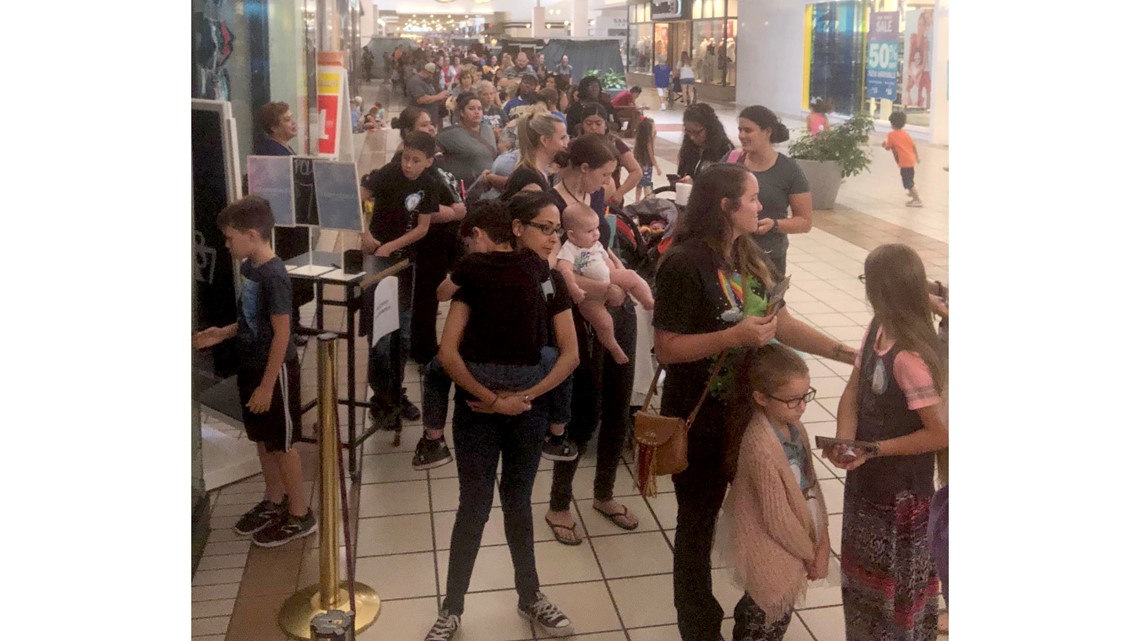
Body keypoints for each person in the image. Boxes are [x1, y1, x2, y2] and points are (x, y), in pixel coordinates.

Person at [653, 163, 858, 641]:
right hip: (700, 418)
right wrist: (733, 335)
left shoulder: (747, 253)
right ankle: (699, 627)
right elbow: (666, 347)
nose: (761, 206)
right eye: (752, 198)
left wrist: (843, 351)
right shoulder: (684, 264)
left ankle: (757, 613)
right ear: (726, 207)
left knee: (763, 514)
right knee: (697, 525)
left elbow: (777, 320)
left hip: (749, 416)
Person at [424, 191, 579, 641]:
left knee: (518, 504)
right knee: (472, 508)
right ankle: (451, 608)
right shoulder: (477, 276)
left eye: (557, 230)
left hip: (528, 410)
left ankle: (530, 596)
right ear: (516, 228)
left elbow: (569, 356)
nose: (553, 239)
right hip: (477, 411)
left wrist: (523, 397)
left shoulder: (551, 283)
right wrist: (492, 400)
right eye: (544, 228)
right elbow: (448, 353)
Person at [825, 243, 947, 641]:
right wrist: (846, 439)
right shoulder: (877, 327)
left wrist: (875, 449)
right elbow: (854, 390)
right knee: (864, 589)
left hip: (902, 499)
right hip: (867, 486)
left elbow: (939, 434)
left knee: (897, 598)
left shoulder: (909, 358)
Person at [416, 201, 579, 470]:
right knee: (555, 356)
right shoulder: (535, 265)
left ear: (477, 234)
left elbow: (442, 296)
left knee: (435, 369)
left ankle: (433, 440)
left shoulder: (471, 266)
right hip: (528, 375)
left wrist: (493, 401)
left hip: (477, 373)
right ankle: (558, 433)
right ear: (516, 229)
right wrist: (524, 397)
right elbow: (571, 357)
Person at [193, 196, 316, 547]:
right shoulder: (250, 269)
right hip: (251, 367)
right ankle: (274, 499)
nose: (227, 244)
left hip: (273, 373)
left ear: (251, 234)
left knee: (282, 443)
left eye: (230, 238)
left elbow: (281, 333)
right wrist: (222, 332)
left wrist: (266, 386)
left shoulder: (275, 276)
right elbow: (252, 321)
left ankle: (300, 512)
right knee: (262, 439)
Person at [544, 133, 642, 545]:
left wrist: (619, 280)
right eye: (604, 174)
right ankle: (559, 503)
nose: (607, 183)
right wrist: (604, 290)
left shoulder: (594, 199)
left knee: (618, 405)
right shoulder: (549, 203)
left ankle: (604, 493)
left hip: (617, 309)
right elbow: (551, 269)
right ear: (583, 168)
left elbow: (604, 248)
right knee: (584, 410)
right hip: (579, 316)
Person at [715, 345, 830, 641]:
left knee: (768, 619)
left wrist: (823, 539)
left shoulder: (794, 426)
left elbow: (810, 484)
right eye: (793, 400)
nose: (802, 406)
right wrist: (810, 554)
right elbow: (777, 519)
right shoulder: (760, 446)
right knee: (763, 620)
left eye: (806, 396)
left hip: (794, 541)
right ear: (761, 398)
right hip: (770, 547)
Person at [358, 132, 446, 426]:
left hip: (406, 264)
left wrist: (392, 246)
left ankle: (395, 393)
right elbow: (359, 196)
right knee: (379, 338)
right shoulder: (388, 174)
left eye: (415, 160)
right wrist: (366, 234)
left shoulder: (430, 185)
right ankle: (381, 396)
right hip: (376, 262)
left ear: (428, 162)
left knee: (403, 334)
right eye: (405, 157)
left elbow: (422, 228)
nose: (408, 165)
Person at [556, 202, 654, 364]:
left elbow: (607, 258)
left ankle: (647, 301)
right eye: (589, 231)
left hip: (609, 276)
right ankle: (612, 345)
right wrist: (574, 288)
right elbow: (564, 270)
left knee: (631, 275)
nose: (596, 234)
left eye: (596, 228)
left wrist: (616, 273)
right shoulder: (570, 249)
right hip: (589, 297)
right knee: (604, 322)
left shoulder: (595, 244)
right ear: (572, 235)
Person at [725, 105, 813, 279]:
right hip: (730, 253)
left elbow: (805, 222)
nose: (742, 135)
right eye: (740, 130)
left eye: (748, 130)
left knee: (767, 305)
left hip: (768, 258)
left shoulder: (789, 170)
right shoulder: (732, 161)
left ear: (767, 131)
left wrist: (775, 225)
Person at [252, 101, 311, 348]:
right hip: (283, 228)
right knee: (287, 275)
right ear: (274, 127)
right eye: (287, 119)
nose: (293, 122)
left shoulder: (283, 148)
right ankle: (287, 327)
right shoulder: (271, 154)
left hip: (293, 223)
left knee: (295, 273)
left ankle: (294, 321)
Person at [577, 102, 642, 209]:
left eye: (598, 124)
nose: (593, 128)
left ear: (605, 124)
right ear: (582, 124)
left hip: (609, 201)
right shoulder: (575, 145)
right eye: (588, 123)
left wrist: (620, 193)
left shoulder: (615, 143)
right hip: (580, 200)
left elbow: (636, 171)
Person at [436, 92, 497, 187]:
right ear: (462, 112)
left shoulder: (488, 129)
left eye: (479, 109)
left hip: (489, 187)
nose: (477, 112)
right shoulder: (449, 134)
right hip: (466, 189)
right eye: (471, 109)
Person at [502, 112, 569, 197]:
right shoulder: (530, 180)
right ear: (544, 140)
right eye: (562, 138)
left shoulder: (536, 172)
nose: (566, 144)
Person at [676, 102, 734, 183]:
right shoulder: (689, 148)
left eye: (697, 132)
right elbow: (682, 173)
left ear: (709, 128)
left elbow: (725, 185)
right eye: (688, 132)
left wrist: (694, 186)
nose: (692, 137)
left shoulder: (725, 149)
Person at [884, 111, 923, 207]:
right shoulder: (906, 134)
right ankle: (912, 192)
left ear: (892, 123)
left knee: (907, 180)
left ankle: (916, 199)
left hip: (904, 161)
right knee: (910, 177)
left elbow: (888, 147)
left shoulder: (891, 135)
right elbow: (913, 145)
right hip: (911, 160)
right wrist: (917, 157)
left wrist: (884, 144)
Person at [408, 61, 450, 128]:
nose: (432, 77)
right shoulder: (416, 82)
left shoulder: (428, 81)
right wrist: (438, 97)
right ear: (426, 71)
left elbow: (433, 95)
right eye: (431, 74)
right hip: (421, 120)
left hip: (432, 118)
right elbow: (421, 99)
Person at [632, 117, 661, 201]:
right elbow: (651, 154)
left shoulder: (639, 138)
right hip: (647, 164)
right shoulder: (648, 140)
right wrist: (657, 167)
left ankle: (637, 201)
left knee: (639, 184)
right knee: (647, 184)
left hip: (639, 162)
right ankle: (648, 200)